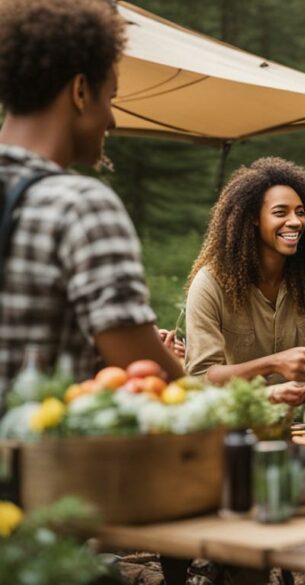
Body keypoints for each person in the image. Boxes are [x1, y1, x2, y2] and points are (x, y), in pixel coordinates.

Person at [0, 0, 184, 409]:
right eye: (111, 97)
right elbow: (147, 373)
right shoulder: (81, 207)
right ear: (80, 91)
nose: (112, 120)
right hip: (46, 466)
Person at [184, 157, 305, 406]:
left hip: (292, 427)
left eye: (301, 212)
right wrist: (274, 364)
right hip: (231, 425)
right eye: (280, 212)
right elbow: (199, 378)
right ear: (252, 218)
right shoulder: (211, 284)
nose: (295, 221)